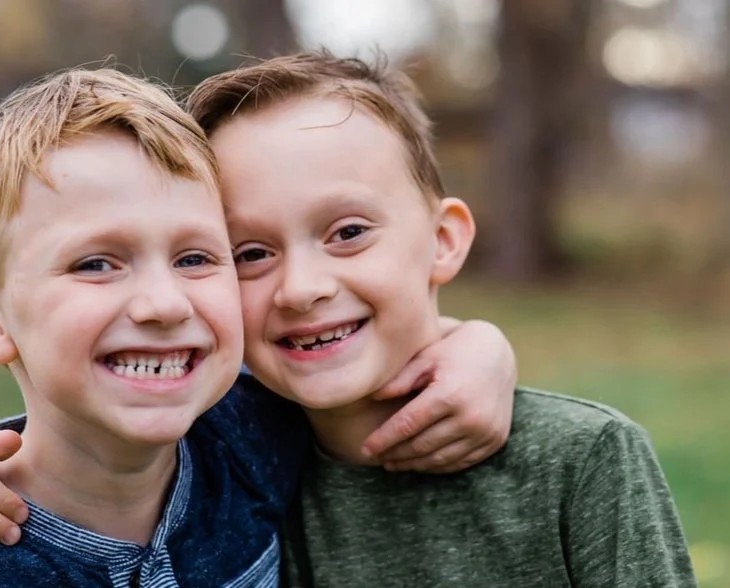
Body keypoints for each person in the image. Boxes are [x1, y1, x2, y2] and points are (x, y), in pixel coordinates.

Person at [0, 65, 517, 587]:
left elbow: (360, 354)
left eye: (196, 257)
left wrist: (477, 346)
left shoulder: (251, 437)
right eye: (96, 263)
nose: (164, 304)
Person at [184, 51, 697, 586]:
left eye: (349, 232)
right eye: (250, 254)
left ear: (444, 241)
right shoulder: (223, 474)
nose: (301, 289)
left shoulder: (585, 460)